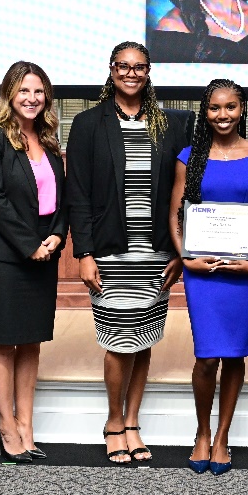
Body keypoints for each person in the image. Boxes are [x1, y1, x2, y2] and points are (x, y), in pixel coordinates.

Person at [66, 42, 184, 465]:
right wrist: (85, 252)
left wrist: (178, 249)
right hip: (111, 251)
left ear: (149, 72)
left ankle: (134, 422)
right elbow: (77, 193)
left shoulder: (169, 125)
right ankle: (113, 421)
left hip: (154, 251)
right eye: (123, 66)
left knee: (145, 338)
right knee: (118, 342)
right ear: (111, 69)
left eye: (140, 67)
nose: (131, 73)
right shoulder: (87, 124)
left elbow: (183, 193)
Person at [169, 79, 248, 475]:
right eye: (214, 108)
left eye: (230, 107)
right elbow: (175, 214)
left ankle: (222, 436)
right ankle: (202, 431)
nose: (222, 115)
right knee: (205, 355)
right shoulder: (189, 156)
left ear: (242, 109)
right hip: (202, 272)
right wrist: (185, 258)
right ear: (205, 111)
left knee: (233, 354)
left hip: (243, 272)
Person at [0, 61, 67, 464]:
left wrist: (58, 235)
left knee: (31, 342)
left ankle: (26, 424)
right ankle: (6, 425)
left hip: (44, 251)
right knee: (4, 341)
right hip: (4, 256)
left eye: (39, 91)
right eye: (24, 91)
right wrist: (30, 246)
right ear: (9, 94)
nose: (32, 99)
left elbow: (64, 195)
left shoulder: (48, 138)